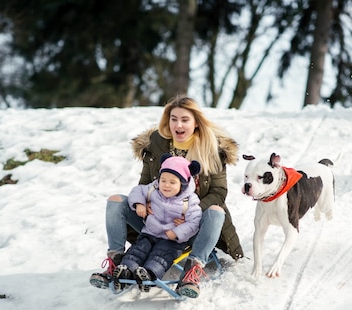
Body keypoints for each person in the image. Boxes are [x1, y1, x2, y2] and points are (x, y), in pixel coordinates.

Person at [90, 95, 244, 298]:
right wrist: (142, 203)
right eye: (173, 119)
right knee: (116, 201)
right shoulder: (157, 144)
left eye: (185, 119)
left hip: (191, 223)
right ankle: (116, 263)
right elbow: (145, 184)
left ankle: (192, 270)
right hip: (156, 220)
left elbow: (219, 193)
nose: (178, 124)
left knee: (217, 211)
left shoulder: (211, 149)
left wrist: (190, 212)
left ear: (196, 122)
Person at [99, 154, 202, 294]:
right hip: (150, 232)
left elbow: (194, 221)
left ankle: (149, 273)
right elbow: (138, 190)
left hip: (171, 239)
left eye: (172, 182)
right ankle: (125, 270)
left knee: (160, 256)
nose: (166, 185)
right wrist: (139, 203)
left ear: (182, 185)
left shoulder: (189, 201)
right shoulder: (153, 189)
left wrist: (177, 233)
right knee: (137, 250)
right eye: (163, 180)